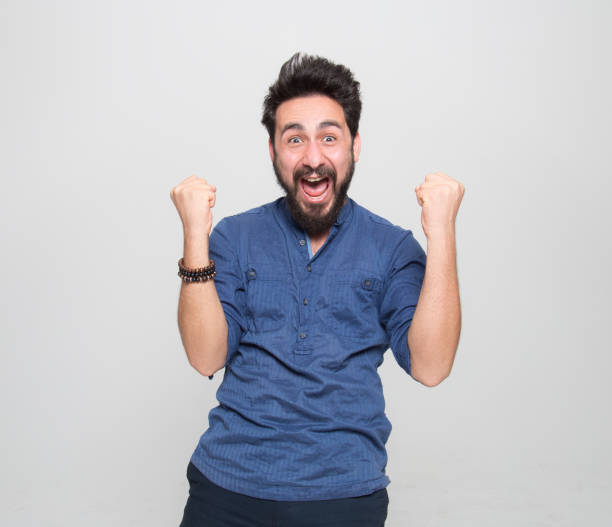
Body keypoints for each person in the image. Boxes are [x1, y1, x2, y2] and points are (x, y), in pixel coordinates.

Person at [170, 52, 464, 527]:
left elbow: (431, 367)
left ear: (354, 145)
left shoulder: (391, 248)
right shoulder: (233, 237)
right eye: (294, 139)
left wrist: (443, 234)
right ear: (273, 150)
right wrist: (195, 238)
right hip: (226, 490)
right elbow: (205, 357)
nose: (312, 157)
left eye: (329, 137)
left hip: (345, 497)